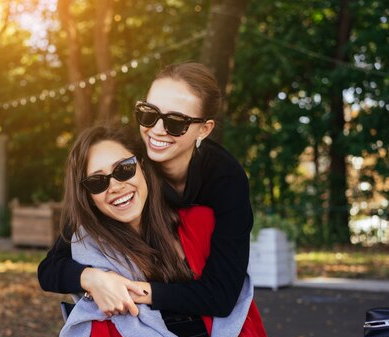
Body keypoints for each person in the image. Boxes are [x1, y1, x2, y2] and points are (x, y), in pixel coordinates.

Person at [58, 125, 296, 337]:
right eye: (97, 182)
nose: (115, 186)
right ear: (87, 196)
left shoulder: (201, 223)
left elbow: (236, 303)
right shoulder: (94, 258)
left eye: (124, 169)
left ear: (143, 166)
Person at [38, 62, 252, 321]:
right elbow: (50, 268)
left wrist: (130, 291)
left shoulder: (225, 179)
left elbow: (222, 294)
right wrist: (93, 278)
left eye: (175, 121)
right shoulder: (126, 163)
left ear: (204, 129)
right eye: (149, 114)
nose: (156, 130)